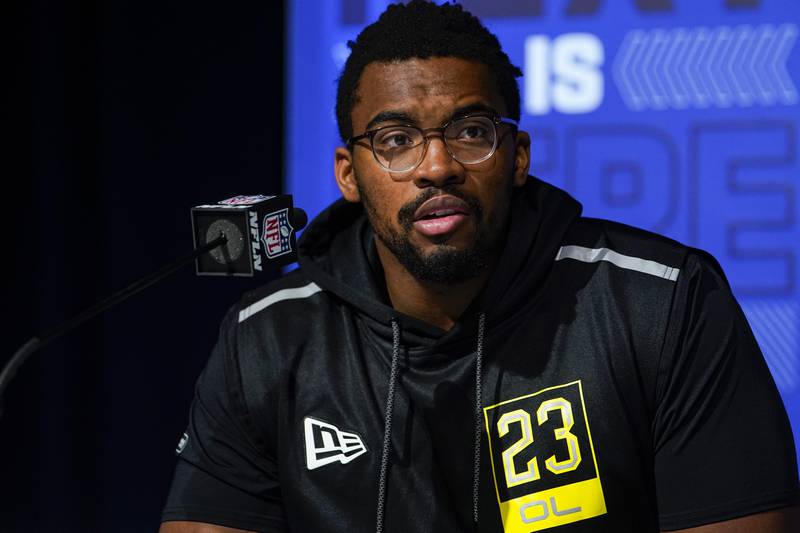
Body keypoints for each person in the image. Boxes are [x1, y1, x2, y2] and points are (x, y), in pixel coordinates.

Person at [159, 2, 799, 532]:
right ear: (349, 175)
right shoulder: (268, 338)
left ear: (517, 156)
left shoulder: (661, 302)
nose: (436, 167)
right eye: (396, 140)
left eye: (469, 132)